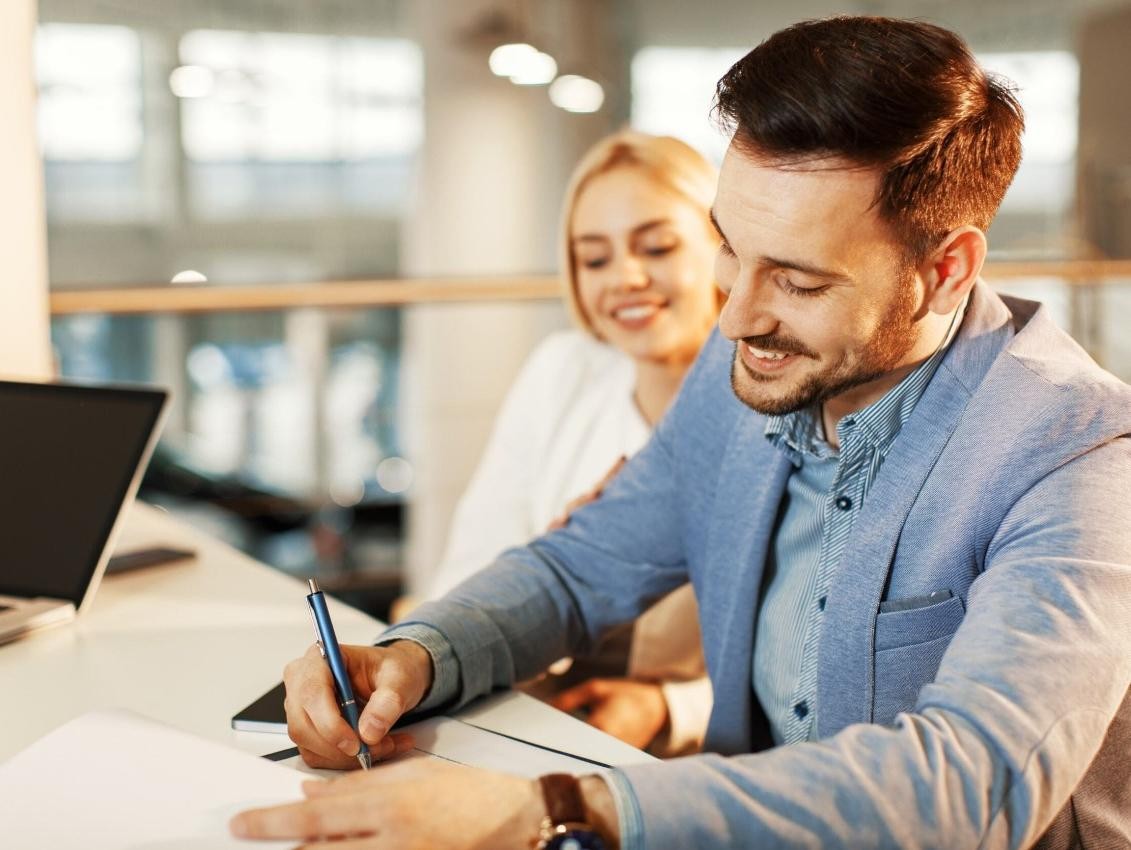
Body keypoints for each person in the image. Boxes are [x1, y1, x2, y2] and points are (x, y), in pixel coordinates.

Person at [232, 16, 1131, 850]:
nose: (734, 314)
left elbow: (973, 784)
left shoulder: (1079, 456)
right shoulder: (752, 364)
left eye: (799, 282)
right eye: (728, 248)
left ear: (944, 271)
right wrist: (417, 656)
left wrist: (553, 810)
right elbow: (584, 565)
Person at [409, 130, 719, 754]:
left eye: (656, 247)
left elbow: (805, 658)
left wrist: (668, 708)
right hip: (532, 717)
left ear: (725, 246)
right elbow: (470, 568)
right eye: (594, 258)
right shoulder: (564, 371)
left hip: (701, 756)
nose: (626, 278)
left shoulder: (777, 402)